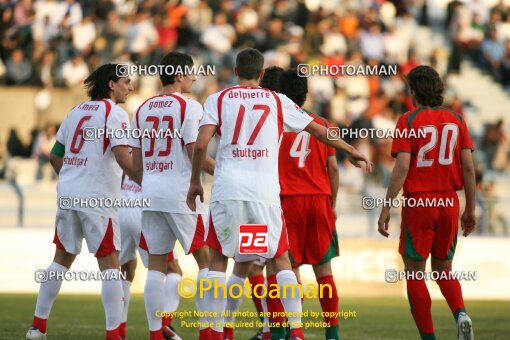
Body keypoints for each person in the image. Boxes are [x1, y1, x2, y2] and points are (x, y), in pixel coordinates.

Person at [187, 48, 372, 340]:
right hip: (264, 195)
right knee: (280, 258)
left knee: (220, 260)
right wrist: (350, 151)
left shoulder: (218, 99)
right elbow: (321, 131)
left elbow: (199, 146)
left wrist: (195, 181)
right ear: (262, 74)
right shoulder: (276, 100)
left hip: (227, 190)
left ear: (235, 72)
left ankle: (215, 332)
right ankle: (296, 331)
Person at [26, 64, 138, 340]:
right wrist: (150, 183)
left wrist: (72, 179)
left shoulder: (75, 112)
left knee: (61, 259)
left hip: (68, 195)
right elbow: (124, 158)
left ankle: (37, 327)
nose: (131, 87)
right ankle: (114, 334)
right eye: (126, 82)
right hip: (98, 198)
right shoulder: (115, 113)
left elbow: (54, 155)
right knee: (111, 264)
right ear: (111, 84)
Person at [377, 65, 476, 340]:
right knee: (444, 268)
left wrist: (386, 206)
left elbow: (402, 167)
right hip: (449, 201)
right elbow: (468, 167)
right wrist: (470, 207)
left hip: (420, 202)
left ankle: (429, 338)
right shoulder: (457, 120)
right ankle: (461, 314)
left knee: (415, 273)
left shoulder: (407, 121)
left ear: (413, 92)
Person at [129, 51, 214, 340]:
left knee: (156, 266)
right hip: (181, 193)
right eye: (191, 72)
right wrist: (221, 169)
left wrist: (153, 182)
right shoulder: (189, 107)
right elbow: (194, 152)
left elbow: (136, 165)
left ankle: (155, 334)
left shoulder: (141, 109)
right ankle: (208, 333)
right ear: (178, 76)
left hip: (150, 192)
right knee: (206, 261)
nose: (194, 77)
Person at [277, 69, 341, 340]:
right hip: (319, 201)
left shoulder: (276, 124)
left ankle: (292, 330)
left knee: (288, 269)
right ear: (305, 94)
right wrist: (332, 203)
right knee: (324, 270)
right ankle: (332, 333)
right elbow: (334, 170)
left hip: (287, 201)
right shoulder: (322, 123)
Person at [118, 172, 183, 340]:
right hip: (143, 209)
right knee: (173, 269)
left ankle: (119, 331)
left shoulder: (127, 144)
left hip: (122, 206)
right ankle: (163, 324)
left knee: (126, 269)